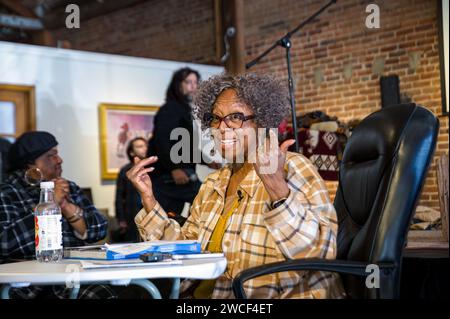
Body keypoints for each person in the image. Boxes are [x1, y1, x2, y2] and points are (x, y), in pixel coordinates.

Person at [127, 73, 345, 299]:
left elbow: (322, 252)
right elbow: (185, 250)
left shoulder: (293, 167)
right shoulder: (214, 182)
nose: (222, 128)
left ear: (261, 120)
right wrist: (149, 199)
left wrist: (277, 189)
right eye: (216, 118)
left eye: (236, 117)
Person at [0, 131, 116, 299]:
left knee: (103, 294)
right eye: (51, 155)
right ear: (30, 165)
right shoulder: (6, 192)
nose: (59, 160)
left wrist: (66, 205)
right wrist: (48, 205)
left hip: (72, 277)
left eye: (57, 154)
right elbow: (4, 242)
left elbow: (99, 230)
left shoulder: (68, 187)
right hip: (27, 284)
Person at [147, 67, 203, 224]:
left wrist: (207, 160)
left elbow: (185, 146)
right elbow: (162, 141)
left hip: (180, 176)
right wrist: (174, 169)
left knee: (171, 221)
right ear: (178, 84)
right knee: (163, 222)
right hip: (168, 178)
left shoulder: (182, 109)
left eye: (195, 82)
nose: (193, 86)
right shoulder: (171, 109)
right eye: (188, 82)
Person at [114, 137, 148, 242]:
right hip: (132, 215)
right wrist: (121, 219)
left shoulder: (154, 168)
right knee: (134, 243)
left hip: (151, 212)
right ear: (132, 152)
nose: (144, 149)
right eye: (139, 146)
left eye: (146, 146)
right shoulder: (125, 170)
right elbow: (119, 196)